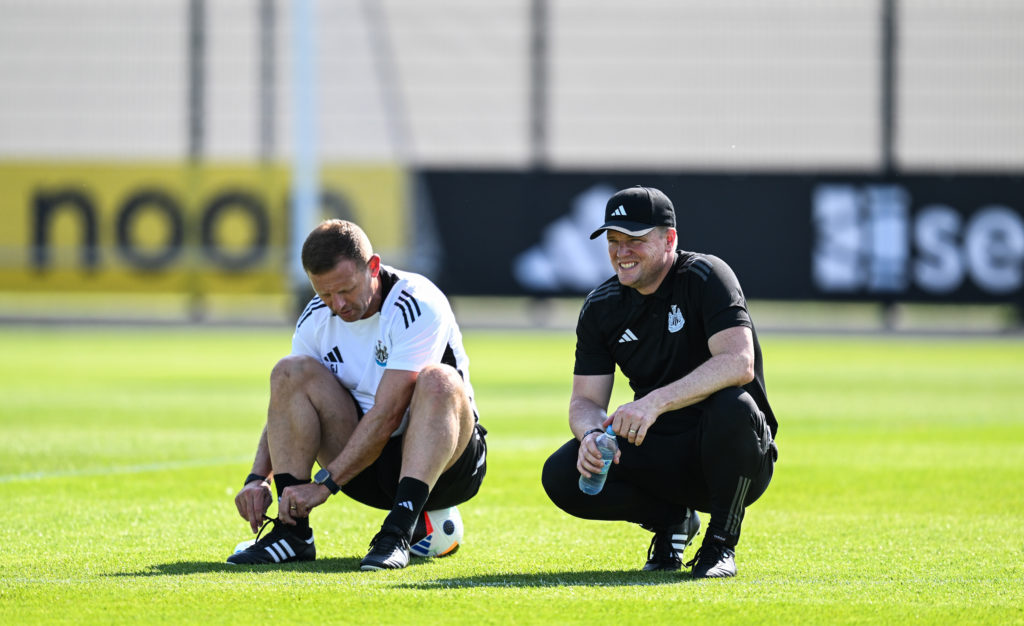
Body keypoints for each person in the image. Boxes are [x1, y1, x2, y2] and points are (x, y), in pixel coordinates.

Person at [541, 186, 778, 579]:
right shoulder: (602, 307)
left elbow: (739, 362)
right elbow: (585, 401)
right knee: (563, 473)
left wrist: (653, 402)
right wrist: (588, 437)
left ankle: (720, 545)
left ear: (669, 239)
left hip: (733, 453)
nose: (622, 252)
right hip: (659, 451)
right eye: (614, 241)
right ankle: (672, 521)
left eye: (635, 239)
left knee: (734, 407)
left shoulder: (706, 276)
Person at [228, 219, 487, 571]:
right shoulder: (315, 318)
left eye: (346, 290)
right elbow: (286, 405)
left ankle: (397, 532)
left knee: (438, 380)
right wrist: (258, 478)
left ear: (374, 267)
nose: (338, 304)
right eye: (325, 294)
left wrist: (325, 484)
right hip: (366, 469)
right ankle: (293, 533)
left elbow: (389, 412)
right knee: (289, 371)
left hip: (449, 468)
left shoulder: (417, 302)